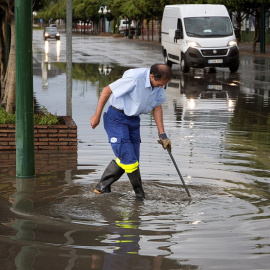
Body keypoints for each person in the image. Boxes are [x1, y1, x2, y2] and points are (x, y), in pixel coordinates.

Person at [90, 64, 172, 199]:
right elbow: (106, 90)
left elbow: (157, 106)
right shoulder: (135, 78)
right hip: (116, 118)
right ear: (152, 76)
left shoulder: (158, 84)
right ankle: (140, 195)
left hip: (133, 120)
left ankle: (102, 187)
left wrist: (162, 134)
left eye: (164, 85)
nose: (161, 87)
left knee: (132, 159)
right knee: (130, 160)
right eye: (160, 84)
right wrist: (96, 116)